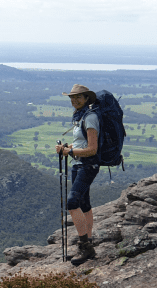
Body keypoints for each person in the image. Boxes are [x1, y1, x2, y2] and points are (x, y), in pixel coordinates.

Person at [56, 84, 99, 264]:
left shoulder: (90, 118)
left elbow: (92, 149)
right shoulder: (80, 116)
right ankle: (88, 243)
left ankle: (85, 248)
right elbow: (82, 144)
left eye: (78, 97)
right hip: (79, 164)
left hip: (87, 165)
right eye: (72, 98)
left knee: (72, 202)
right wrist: (68, 148)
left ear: (86, 98)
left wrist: (70, 153)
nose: (74, 100)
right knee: (84, 204)